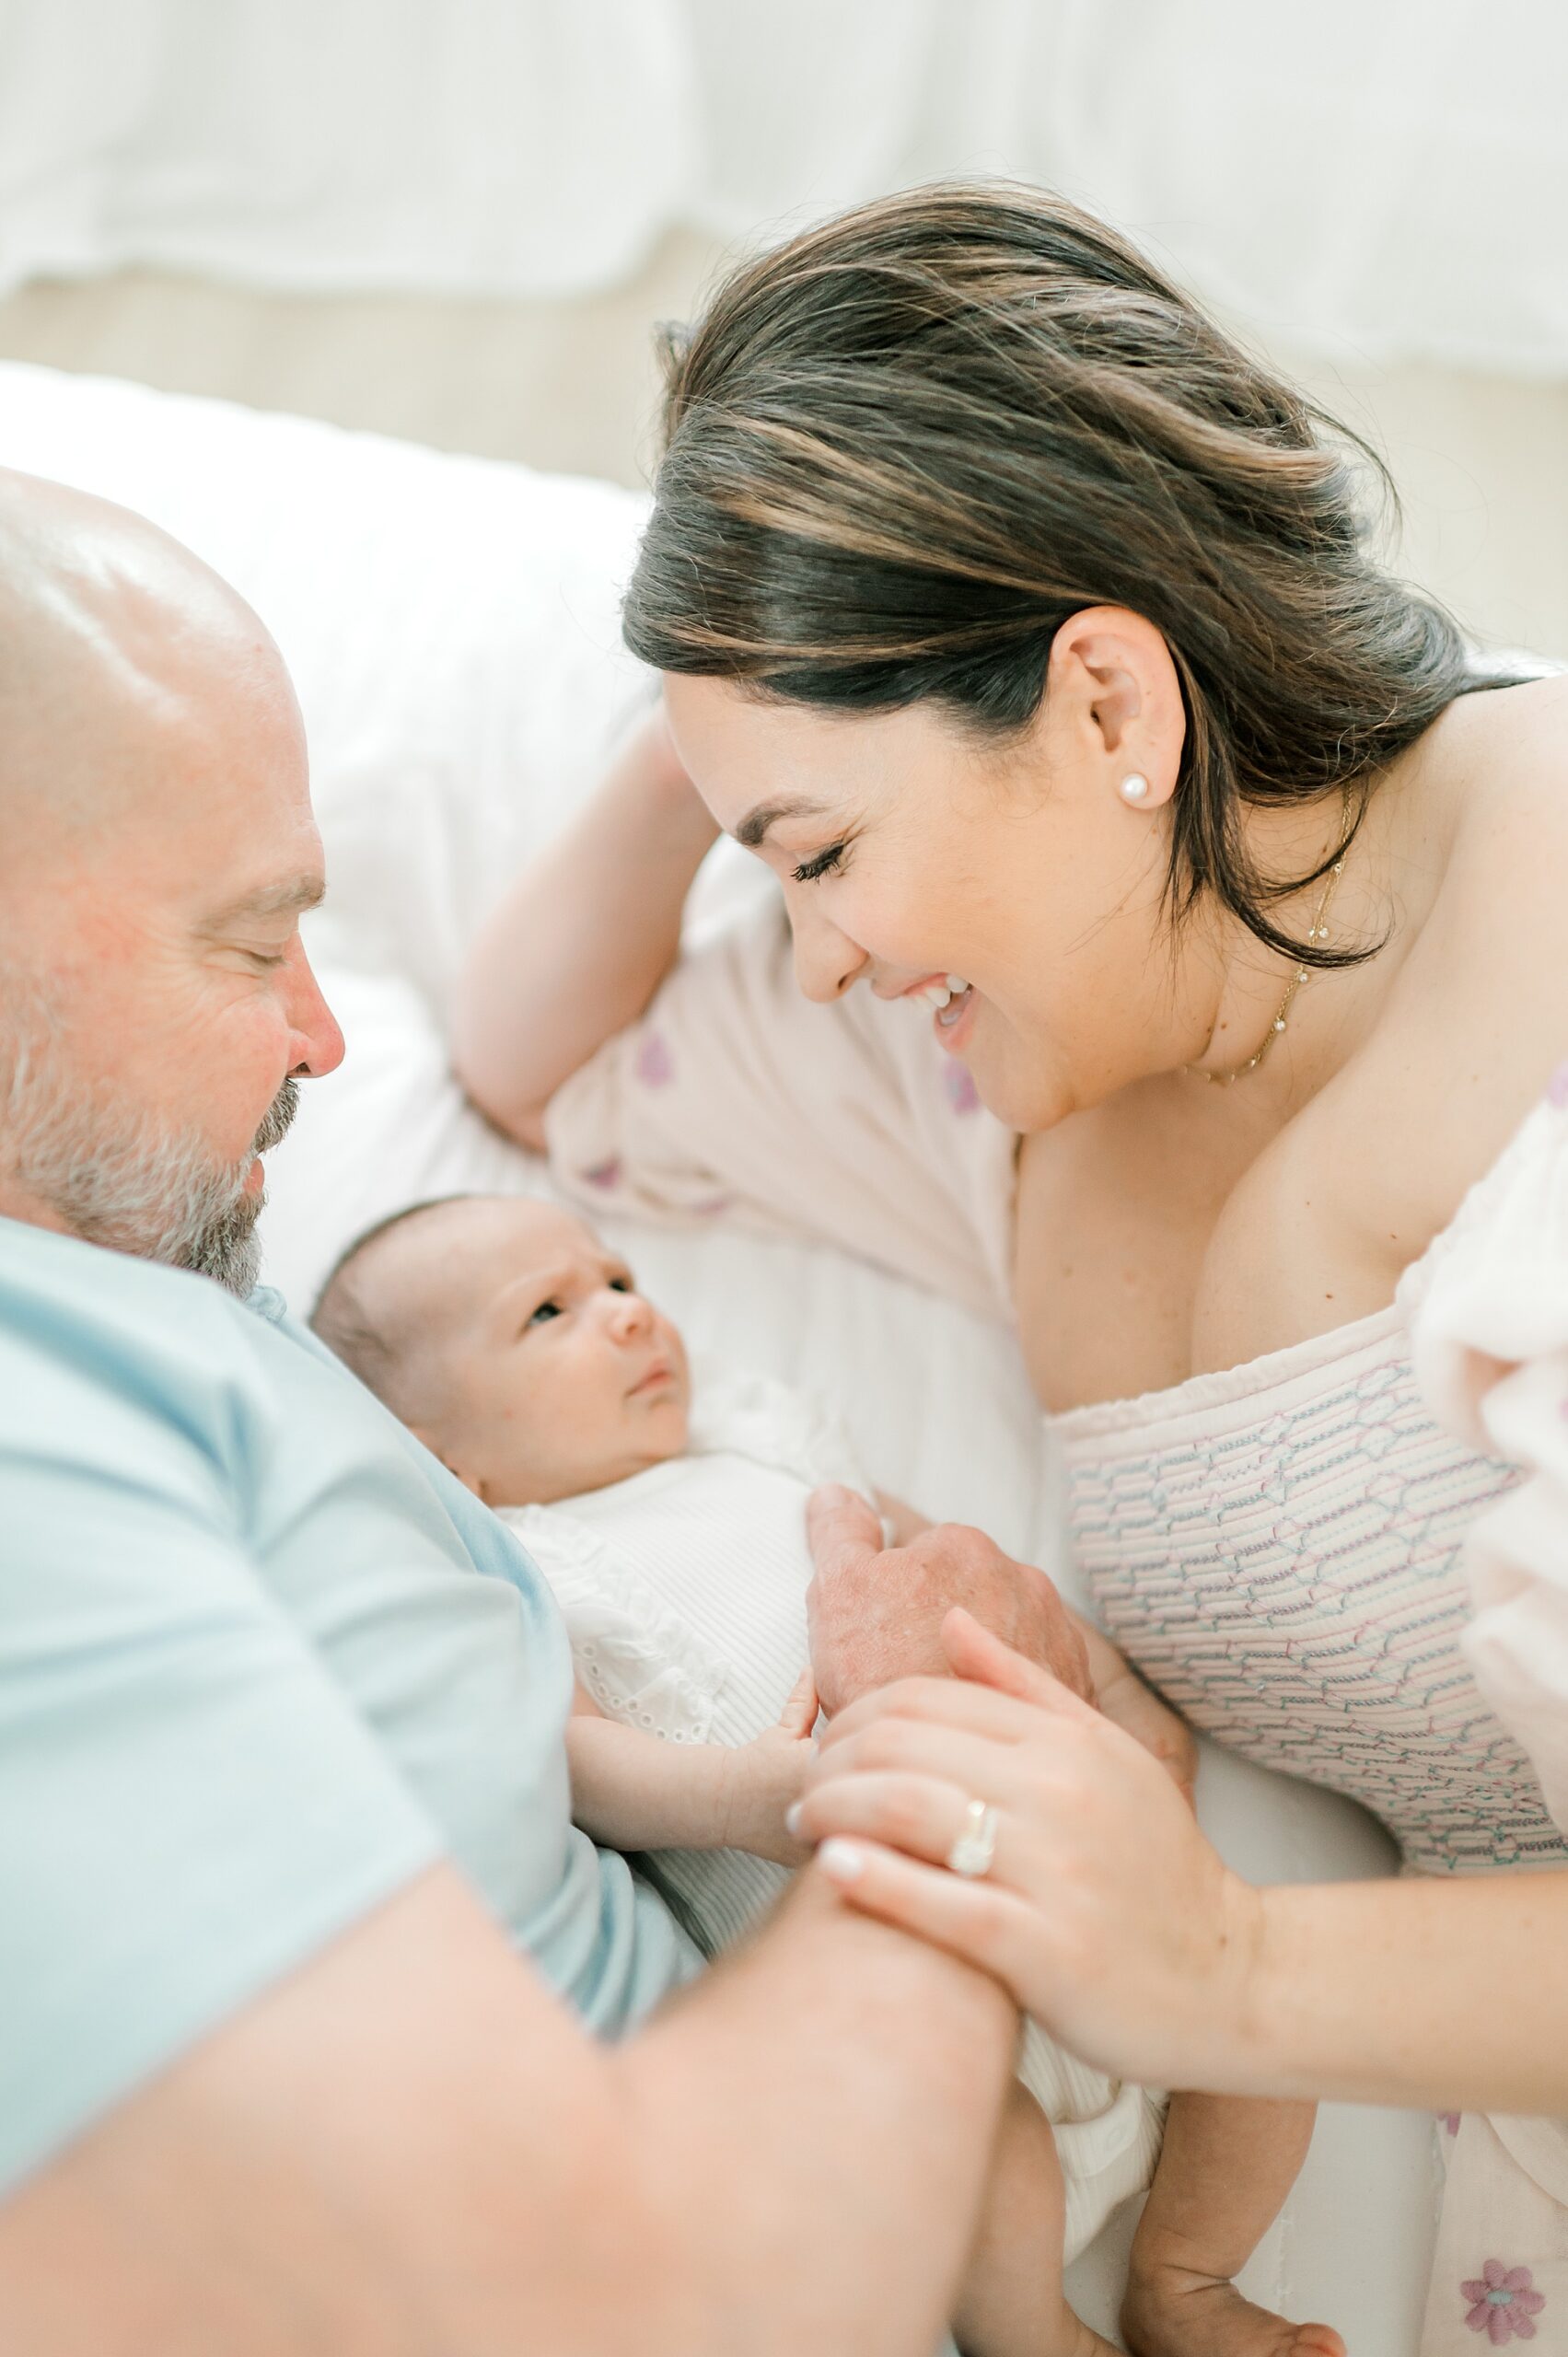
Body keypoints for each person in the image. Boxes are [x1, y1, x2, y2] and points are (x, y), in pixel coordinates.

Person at [452, 182, 1568, 2351]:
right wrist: (738, 693)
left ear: (1105, 701)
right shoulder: (1034, 1042)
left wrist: (1222, 1969)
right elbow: (532, 1057)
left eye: (827, 857)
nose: (822, 954)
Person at [0, 463, 1102, 2357]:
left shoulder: (155, 1296)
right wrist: (931, 1783)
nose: (325, 1039)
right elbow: (603, 2286)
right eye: (250, 940)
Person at [311, 1187, 1345, 2357]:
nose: (628, 1315)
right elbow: (580, 1762)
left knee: (1266, 2019)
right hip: (906, 2022)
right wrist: (758, 1796)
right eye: (548, 1312)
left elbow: (975, 1572)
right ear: (449, 1467)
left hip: (1075, 1919)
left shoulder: (774, 1449)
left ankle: (1183, 2279)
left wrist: (1117, 1705)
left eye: (617, 1279)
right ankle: (1039, 2334)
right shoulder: (533, 1573)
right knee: (975, 2154)